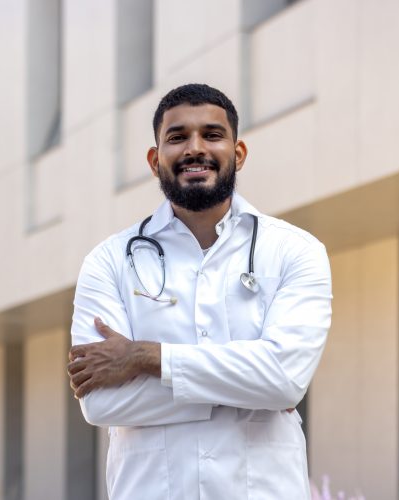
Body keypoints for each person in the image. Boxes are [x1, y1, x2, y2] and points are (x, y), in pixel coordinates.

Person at [67, 83, 332, 499]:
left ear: (238, 152)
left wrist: (145, 357)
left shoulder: (295, 251)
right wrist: (247, 388)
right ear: (155, 160)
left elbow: (282, 381)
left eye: (211, 134)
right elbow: (100, 404)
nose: (194, 148)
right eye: (177, 137)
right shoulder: (109, 261)